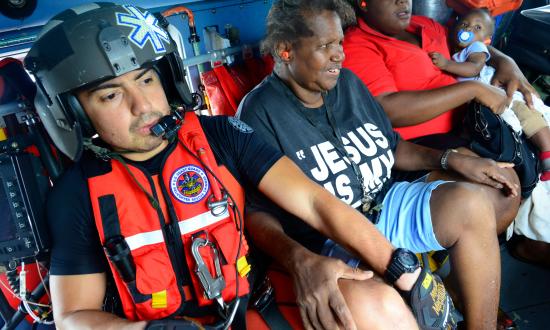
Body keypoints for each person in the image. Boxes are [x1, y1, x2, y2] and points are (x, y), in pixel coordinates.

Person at [26, 3, 452, 329]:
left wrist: (400, 267)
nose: (143, 106)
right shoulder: (76, 194)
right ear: (73, 116)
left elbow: (315, 202)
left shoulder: (221, 135)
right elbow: (74, 316)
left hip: (253, 305)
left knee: (375, 303)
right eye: (110, 96)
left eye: (146, 80)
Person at [236, 0, 520, 329]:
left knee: (473, 202)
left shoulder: (349, 84)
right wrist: (297, 258)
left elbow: (392, 146)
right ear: (285, 51)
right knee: (382, 306)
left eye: (340, 42)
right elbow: (256, 214)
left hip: (384, 203)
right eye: (325, 45)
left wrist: (450, 159)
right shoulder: (260, 111)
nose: (339, 55)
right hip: (326, 238)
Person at [430, 8, 550, 183]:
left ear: (487, 40)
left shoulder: (476, 48)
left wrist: (446, 64)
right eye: (464, 24)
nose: (469, 29)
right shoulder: (457, 52)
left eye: (477, 28)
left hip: (497, 90)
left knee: (526, 114)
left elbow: (474, 68)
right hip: (484, 99)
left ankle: (547, 153)